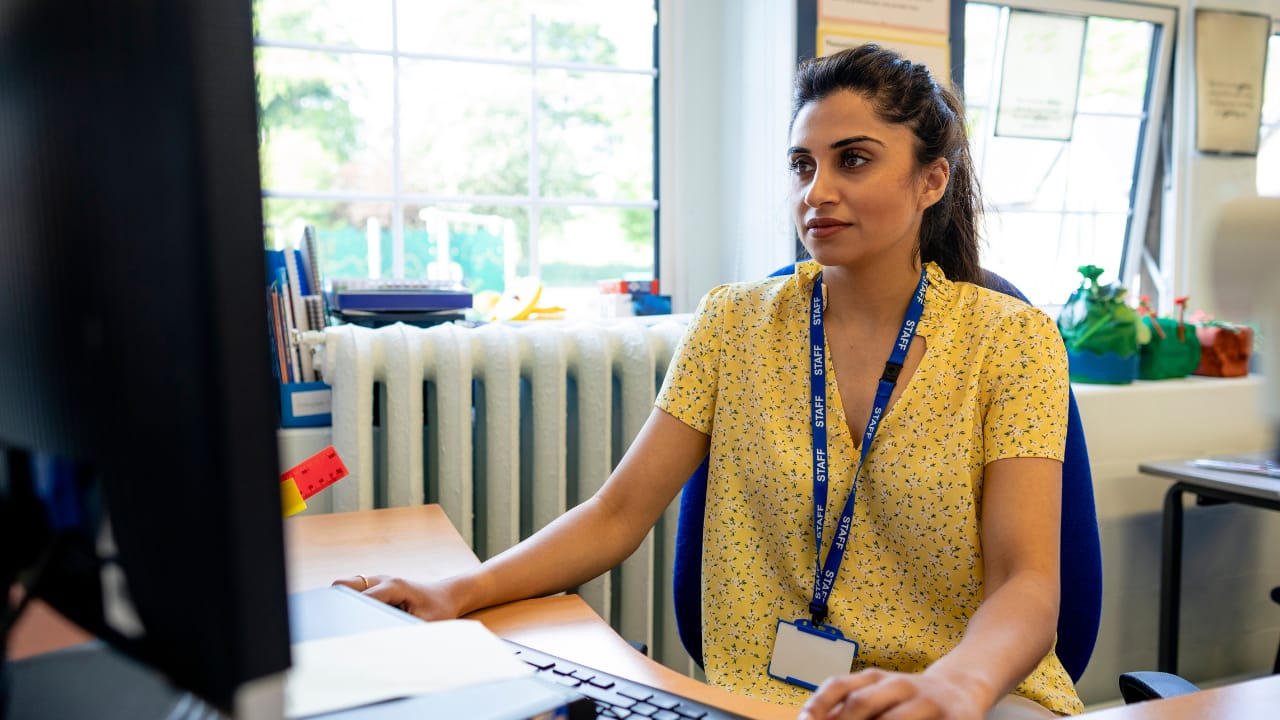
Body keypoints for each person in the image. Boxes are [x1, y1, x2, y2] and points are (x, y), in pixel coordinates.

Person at [336, 44, 1082, 720]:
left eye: (852, 160)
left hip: (966, 696)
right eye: (801, 164)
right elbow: (617, 512)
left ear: (931, 180)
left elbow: (1027, 582)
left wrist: (953, 687)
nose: (815, 191)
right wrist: (455, 592)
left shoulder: (1010, 338)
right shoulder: (734, 323)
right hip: (769, 698)